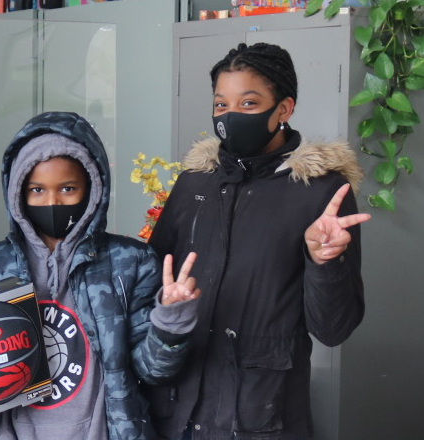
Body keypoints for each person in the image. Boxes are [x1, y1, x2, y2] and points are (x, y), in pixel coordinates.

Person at [146, 42, 370, 440]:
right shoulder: (193, 184)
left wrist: (325, 262)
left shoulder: (320, 192)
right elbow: (150, 283)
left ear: (283, 109)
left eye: (248, 104)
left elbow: (333, 329)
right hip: (174, 412)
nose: (230, 116)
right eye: (221, 105)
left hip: (259, 417)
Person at [0, 111, 200, 440]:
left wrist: (171, 320)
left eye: (67, 188)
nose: (52, 201)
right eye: (37, 190)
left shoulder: (130, 262)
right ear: (19, 192)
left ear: (92, 189)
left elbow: (151, 370)